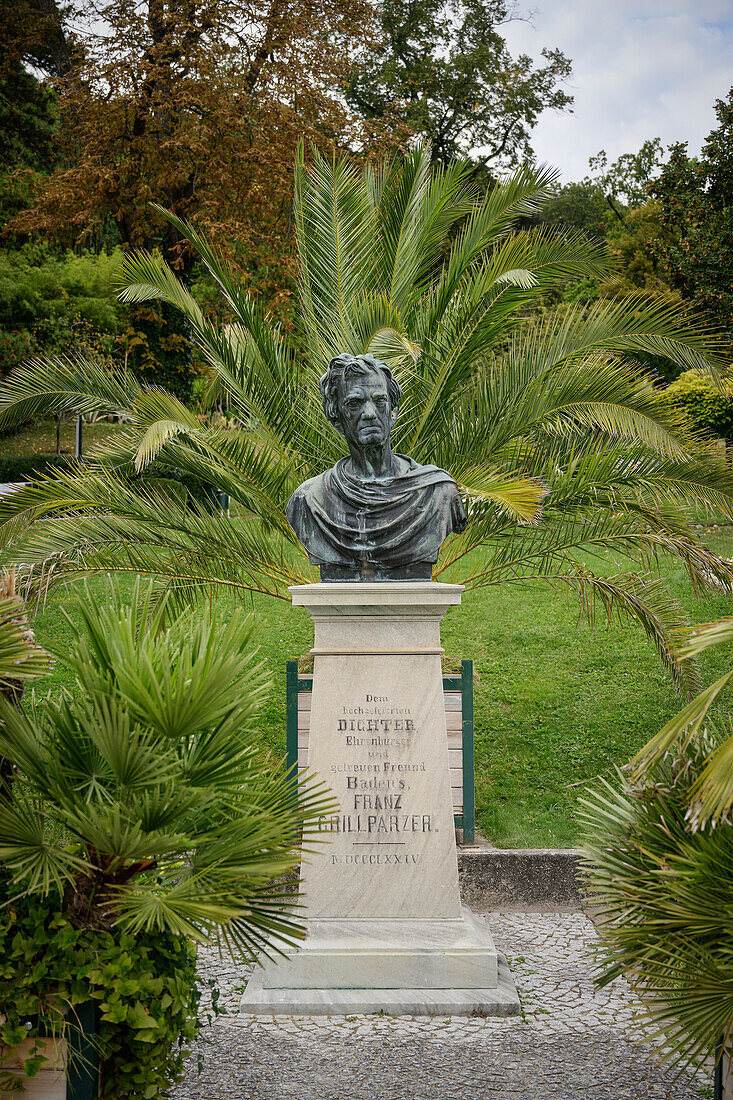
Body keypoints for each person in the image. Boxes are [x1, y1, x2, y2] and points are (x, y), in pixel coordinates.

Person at [286, 352, 466, 581]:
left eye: (379, 401)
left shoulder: (438, 493)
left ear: (393, 412)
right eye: (354, 403)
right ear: (336, 418)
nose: (370, 413)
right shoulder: (309, 501)